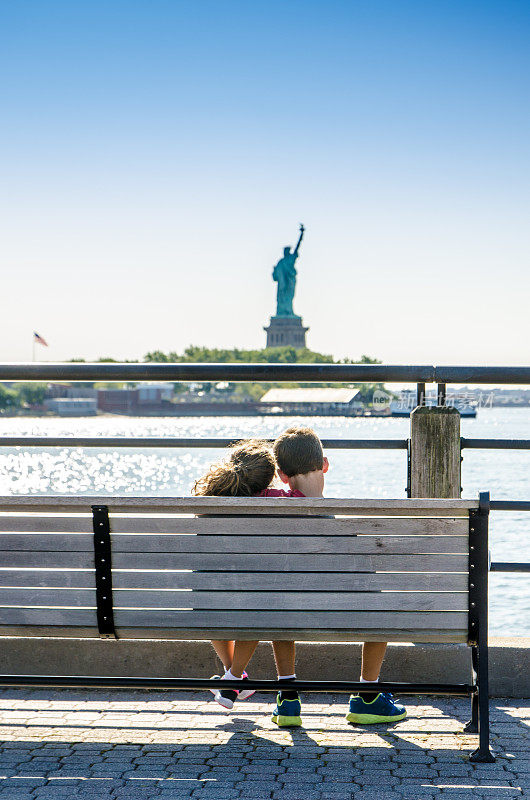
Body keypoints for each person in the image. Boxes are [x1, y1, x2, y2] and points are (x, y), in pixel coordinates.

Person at [272, 426, 407, 725]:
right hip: (347, 615)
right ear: (325, 464)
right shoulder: (344, 530)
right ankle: (368, 696)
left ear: (282, 475)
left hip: (288, 614)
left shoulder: (272, 519)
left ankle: (289, 697)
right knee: (378, 601)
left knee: (277, 600)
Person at [192, 439, 300, 725]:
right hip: (256, 601)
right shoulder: (277, 500)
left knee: (219, 598)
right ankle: (232, 679)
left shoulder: (210, 500)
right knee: (259, 601)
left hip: (212, 600)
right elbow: (306, 499)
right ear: (269, 477)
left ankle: (234, 676)